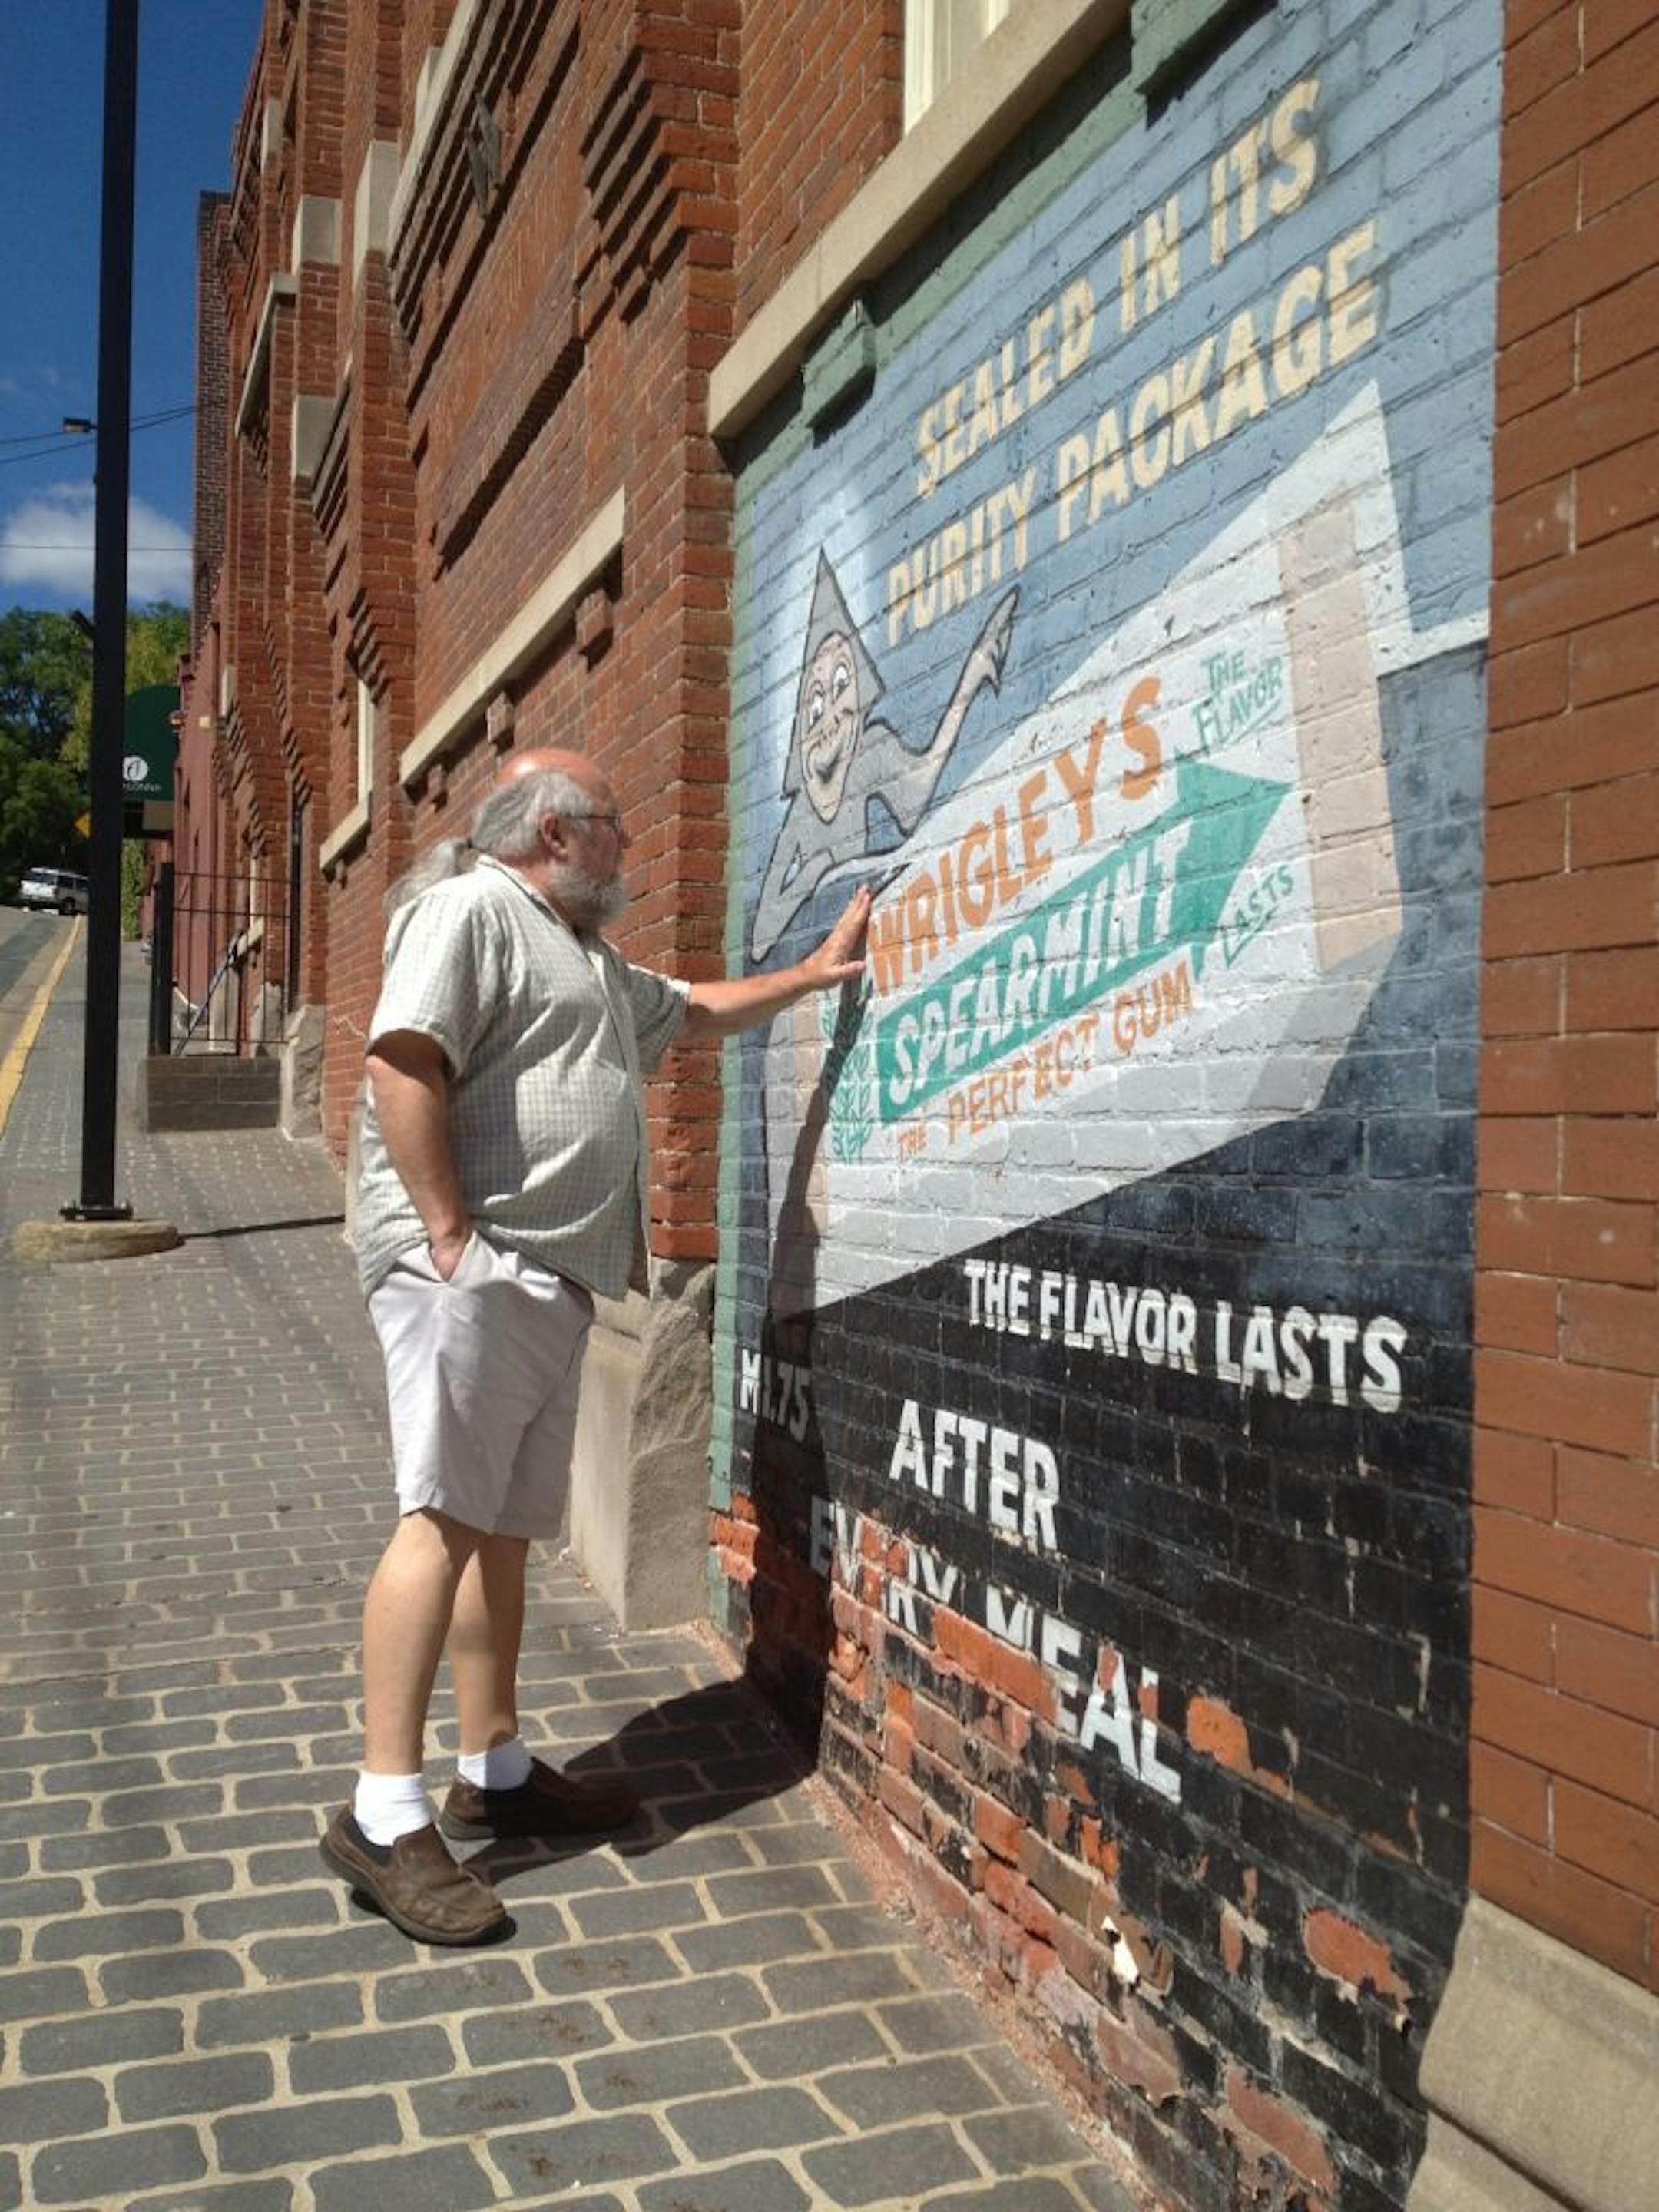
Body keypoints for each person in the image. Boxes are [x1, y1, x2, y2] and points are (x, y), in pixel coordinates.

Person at [320, 747, 869, 1943]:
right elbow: (401, 1061)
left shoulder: (585, 955)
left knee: (500, 1533)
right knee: (441, 1518)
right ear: (555, 834)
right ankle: (381, 1810)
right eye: (614, 822)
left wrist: (815, 975)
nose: (631, 842)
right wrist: (451, 1236)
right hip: (474, 1268)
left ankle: (495, 1771)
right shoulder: (472, 908)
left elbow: (696, 1009)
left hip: (544, 1278)